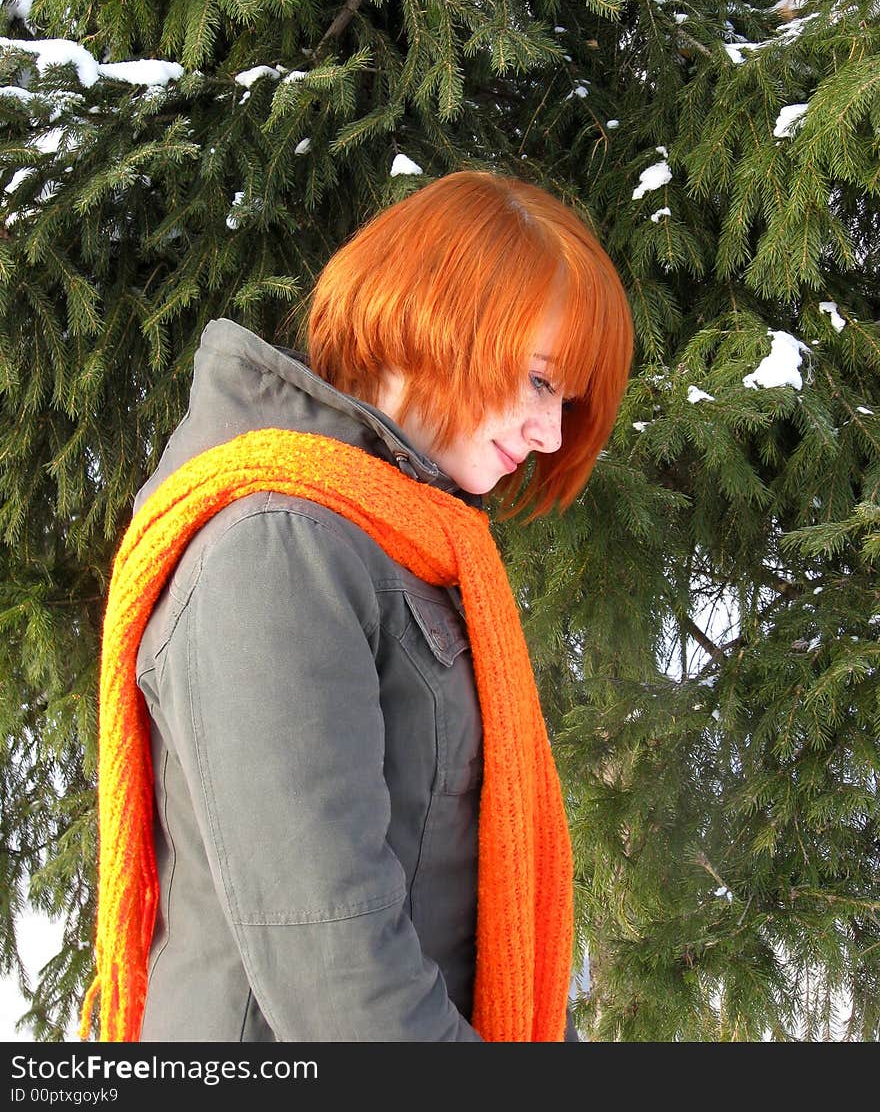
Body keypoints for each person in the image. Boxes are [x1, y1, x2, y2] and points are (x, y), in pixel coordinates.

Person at [80, 170, 634, 1043]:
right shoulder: (275, 547)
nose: (553, 434)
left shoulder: (403, 541)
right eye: (538, 380)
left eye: (565, 400)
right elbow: (340, 974)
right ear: (438, 319)